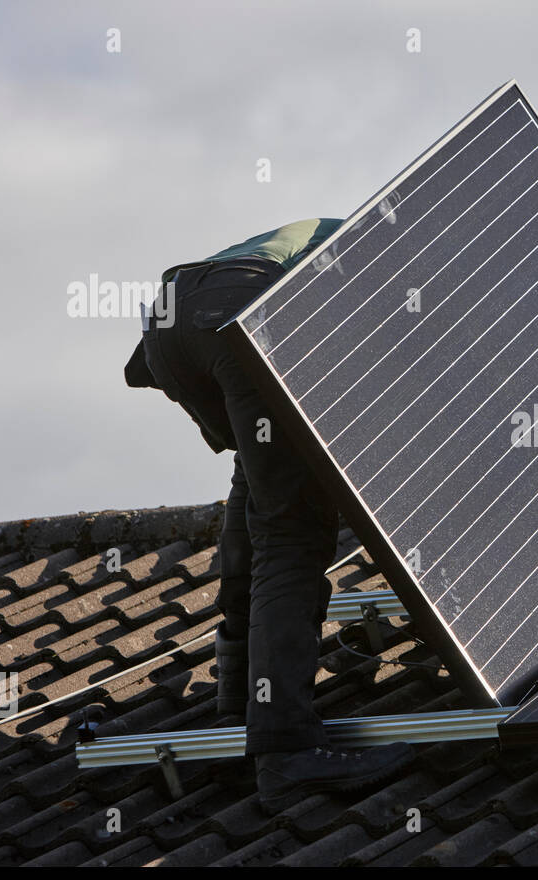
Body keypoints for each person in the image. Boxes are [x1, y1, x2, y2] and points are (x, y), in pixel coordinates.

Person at [124, 219, 413, 814]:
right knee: (295, 529)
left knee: (260, 477)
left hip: (170, 321)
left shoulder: (363, 230)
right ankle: (286, 751)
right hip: (247, 313)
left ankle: (237, 692)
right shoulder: (420, 259)